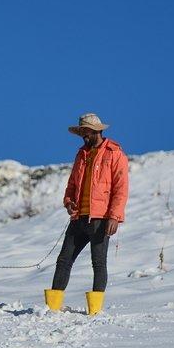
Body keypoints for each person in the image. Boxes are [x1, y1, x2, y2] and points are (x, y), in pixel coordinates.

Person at [45, 113, 128, 316]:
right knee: (64, 260)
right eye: (81, 131)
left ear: (97, 131)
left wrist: (114, 217)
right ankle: (52, 308)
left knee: (98, 262)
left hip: (101, 219)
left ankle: (95, 310)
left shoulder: (115, 154)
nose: (83, 135)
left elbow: (121, 188)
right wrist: (68, 202)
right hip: (78, 218)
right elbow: (72, 184)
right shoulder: (81, 154)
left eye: (86, 132)